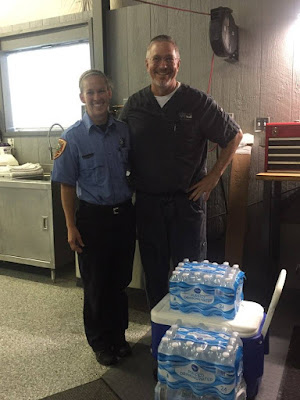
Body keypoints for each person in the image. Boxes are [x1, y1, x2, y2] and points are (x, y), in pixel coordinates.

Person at [120, 35, 243, 310]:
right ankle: (159, 331)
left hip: (187, 204)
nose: (162, 66)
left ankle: (189, 329)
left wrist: (213, 178)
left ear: (178, 64)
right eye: (157, 59)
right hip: (149, 205)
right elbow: (118, 145)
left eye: (169, 59)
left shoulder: (197, 102)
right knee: (154, 273)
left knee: (191, 274)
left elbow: (234, 136)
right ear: (147, 64)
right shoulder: (135, 106)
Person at [51, 69, 136, 366]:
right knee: (96, 284)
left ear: (109, 93)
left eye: (101, 91)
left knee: (120, 281)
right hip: (92, 219)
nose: (97, 97)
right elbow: (66, 185)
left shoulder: (123, 132)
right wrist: (70, 226)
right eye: (91, 92)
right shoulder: (72, 138)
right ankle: (100, 342)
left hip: (124, 216)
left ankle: (118, 336)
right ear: (82, 97)